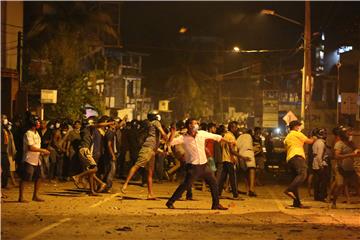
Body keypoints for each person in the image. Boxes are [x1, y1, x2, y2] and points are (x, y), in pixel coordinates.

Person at [166, 118, 234, 210]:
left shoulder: (202, 133)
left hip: (204, 164)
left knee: (213, 183)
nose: (196, 125)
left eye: (196, 123)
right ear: (189, 126)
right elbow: (169, 143)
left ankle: (216, 204)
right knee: (186, 185)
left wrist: (228, 142)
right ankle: (170, 202)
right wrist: (173, 133)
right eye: (194, 123)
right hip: (193, 167)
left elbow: (216, 137)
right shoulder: (184, 138)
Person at [121, 110, 168, 199]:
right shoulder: (156, 122)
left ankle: (150, 194)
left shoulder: (151, 123)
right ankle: (125, 184)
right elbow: (163, 133)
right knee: (137, 165)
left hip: (152, 149)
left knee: (150, 172)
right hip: (148, 148)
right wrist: (167, 141)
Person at [18, 115, 50, 202]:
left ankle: (35, 195)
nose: (39, 123)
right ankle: (21, 197)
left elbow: (37, 146)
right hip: (29, 158)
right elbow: (31, 148)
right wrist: (43, 150)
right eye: (38, 122)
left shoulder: (37, 133)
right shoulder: (28, 133)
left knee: (39, 177)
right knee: (25, 177)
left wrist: (41, 153)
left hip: (37, 158)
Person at [283, 120, 315, 208]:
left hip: (290, 159)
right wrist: (314, 138)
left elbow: (285, 148)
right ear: (296, 127)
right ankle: (289, 190)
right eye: (299, 126)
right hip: (297, 157)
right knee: (303, 174)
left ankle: (297, 203)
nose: (300, 127)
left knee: (295, 180)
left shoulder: (287, 137)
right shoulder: (296, 133)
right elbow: (309, 141)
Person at [218, 121, 249, 200]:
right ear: (232, 128)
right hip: (229, 160)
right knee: (233, 178)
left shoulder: (225, 136)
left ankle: (218, 194)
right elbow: (232, 151)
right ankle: (235, 195)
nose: (237, 128)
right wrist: (242, 157)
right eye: (235, 127)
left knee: (223, 178)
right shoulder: (231, 137)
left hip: (225, 159)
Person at [331, 126, 360, 208]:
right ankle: (333, 202)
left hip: (350, 168)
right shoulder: (339, 144)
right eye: (347, 133)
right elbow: (337, 156)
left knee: (357, 185)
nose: (349, 134)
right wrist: (351, 154)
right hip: (341, 168)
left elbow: (356, 150)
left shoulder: (351, 143)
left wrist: (357, 151)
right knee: (340, 185)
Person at [236, 129, 257, 197]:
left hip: (241, 154)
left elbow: (237, 147)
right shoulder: (249, 136)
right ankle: (252, 189)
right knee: (252, 170)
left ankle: (248, 190)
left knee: (245, 172)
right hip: (249, 152)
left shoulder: (239, 138)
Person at [312, 128, 330, 202]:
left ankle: (317, 196)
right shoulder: (321, 143)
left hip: (315, 164)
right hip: (320, 164)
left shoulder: (316, 142)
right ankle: (322, 197)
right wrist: (321, 165)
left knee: (317, 181)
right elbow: (319, 156)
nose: (326, 135)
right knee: (323, 182)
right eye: (325, 134)